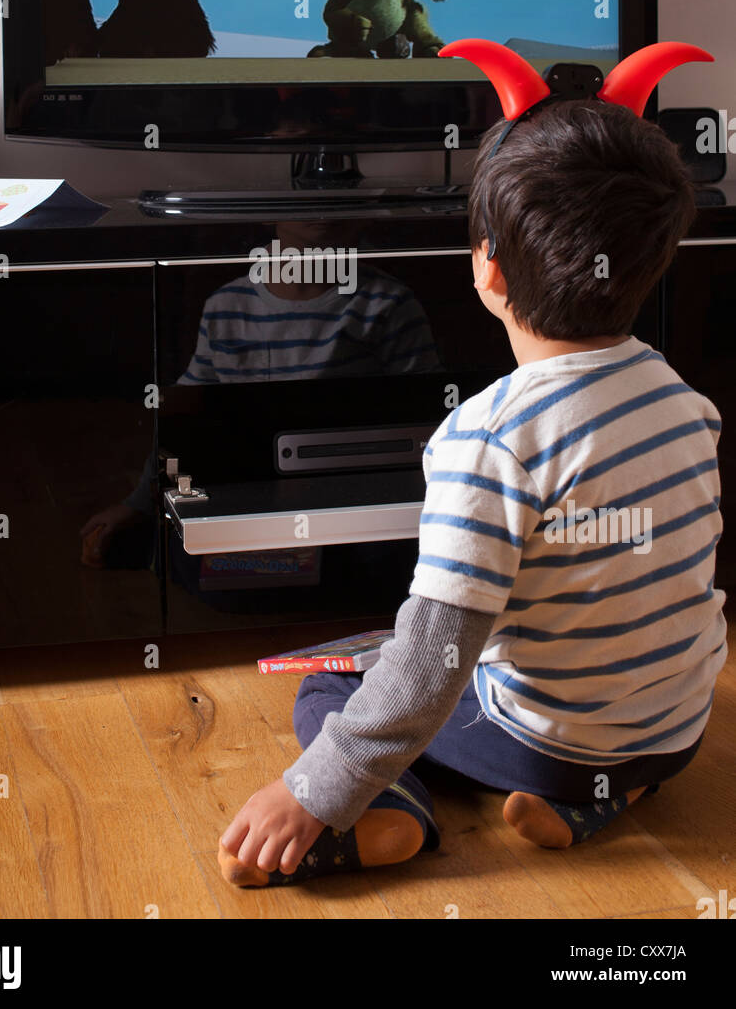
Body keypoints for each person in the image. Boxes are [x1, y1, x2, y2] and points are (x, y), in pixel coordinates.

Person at [218, 81, 726, 885]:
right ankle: (598, 798)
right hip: (677, 730)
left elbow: (437, 652)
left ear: (488, 266)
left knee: (327, 690)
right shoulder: (682, 399)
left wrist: (312, 789)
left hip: (550, 741)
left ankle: (393, 812)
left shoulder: (487, 437)